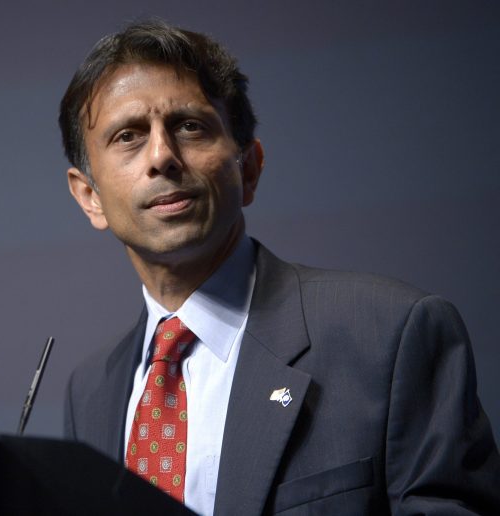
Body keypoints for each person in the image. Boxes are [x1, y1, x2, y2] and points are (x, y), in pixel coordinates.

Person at [59, 20, 500, 515]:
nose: (162, 156)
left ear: (249, 169)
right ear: (89, 196)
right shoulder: (88, 393)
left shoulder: (393, 335)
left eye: (190, 126)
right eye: (128, 136)